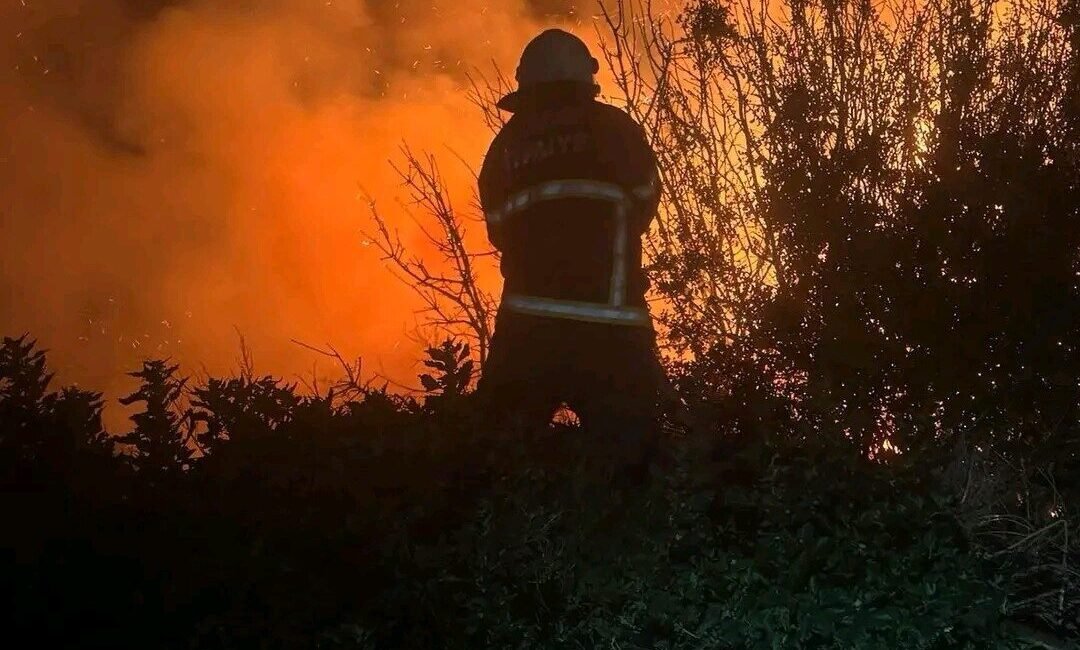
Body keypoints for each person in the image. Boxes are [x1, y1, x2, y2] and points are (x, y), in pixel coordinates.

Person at [475, 28, 665, 486]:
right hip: (614, 324)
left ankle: (502, 547)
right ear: (585, 81)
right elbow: (644, 201)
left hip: (529, 326)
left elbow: (498, 229)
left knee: (497, 460)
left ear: (527, 85)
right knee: (633, 465)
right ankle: (630, 549)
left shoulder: (507, 145)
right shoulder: (617, 130)